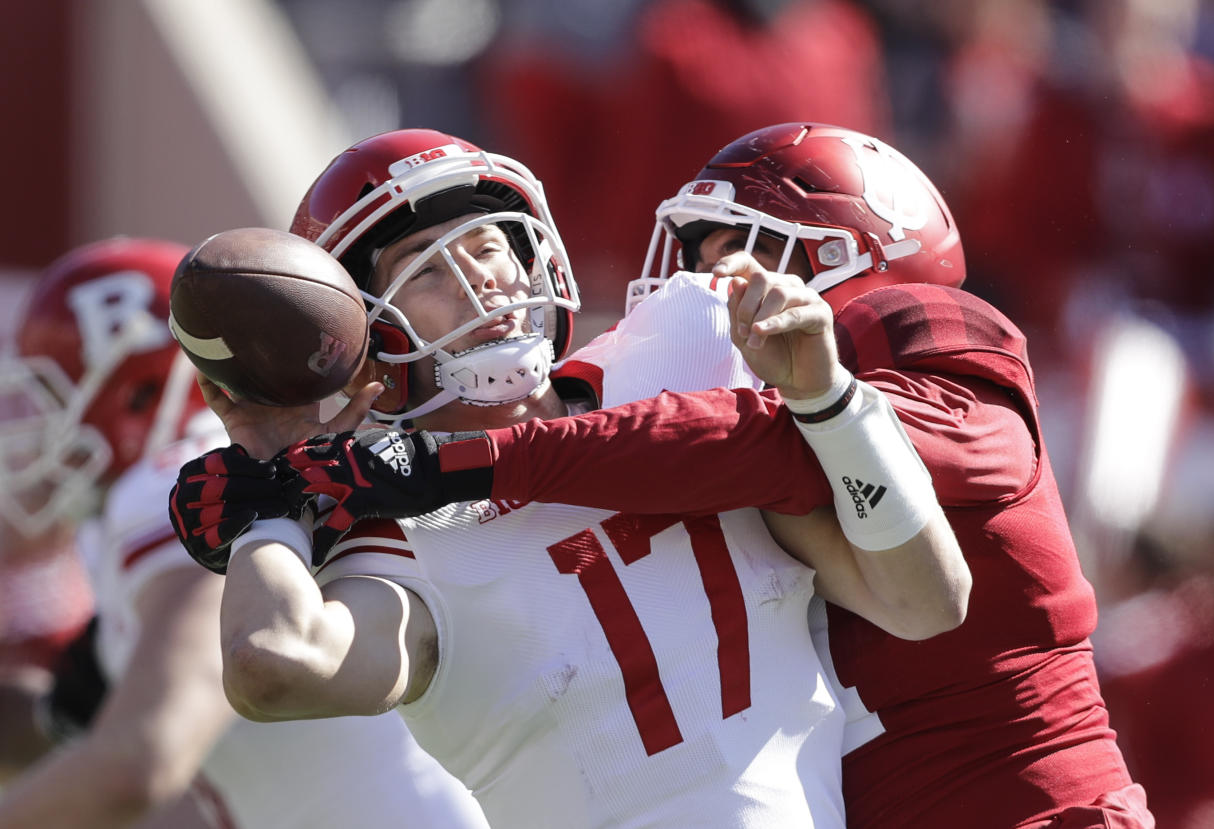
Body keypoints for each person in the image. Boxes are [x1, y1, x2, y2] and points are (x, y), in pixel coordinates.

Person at [168, 128, 968, 828]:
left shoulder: (682, 347)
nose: (483, 282)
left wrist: (828, 398)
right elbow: (274, 663)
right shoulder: (406, 537)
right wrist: (268, 500)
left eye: (490, 247)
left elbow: (927, 599)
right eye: (428, 270)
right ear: (361, 336)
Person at [615, 122, 1155, 827]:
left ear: (846, 258)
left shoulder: (944, 374)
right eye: (700, 264)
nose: (707, 294)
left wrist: (491, 462)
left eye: (738, 258)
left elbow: (760, 442)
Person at [0, 238, 488, 829]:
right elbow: (71, 720)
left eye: (55, 396)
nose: (34, 426)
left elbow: (136, 763)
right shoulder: (163, 502)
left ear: (141, 392)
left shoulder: (184, 488)